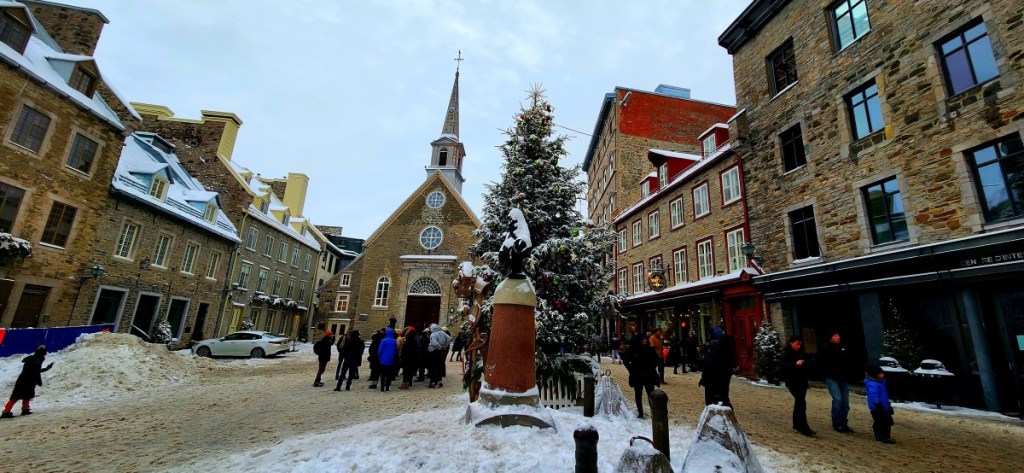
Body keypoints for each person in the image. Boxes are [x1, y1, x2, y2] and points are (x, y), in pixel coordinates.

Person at [819, 329, 856, 433]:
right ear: (830, 337)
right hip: (832, 378)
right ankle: (836, 422)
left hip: (844, 378)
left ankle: (843, 422)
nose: (838, 337)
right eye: (835, 335)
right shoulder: (825, 349)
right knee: (838, 399)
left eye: (838, 335)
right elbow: (821, 363)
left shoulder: (843, 348)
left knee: (846, 403)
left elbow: (849, 362)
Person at [2, 345, 54, 418]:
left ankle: (7, 411)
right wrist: (40, 381)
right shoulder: (37, 361)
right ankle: (24, 410)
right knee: (25, 396)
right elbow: (36, 372)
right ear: (42, 354)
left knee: (16, 396)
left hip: (22, 380)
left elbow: (35, 371)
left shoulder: (31, 359)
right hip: (29, 381)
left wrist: (46, 368)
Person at [781, 335, 815, 436]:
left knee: (800, 402)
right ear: (791, 343)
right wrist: (795, 364)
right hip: (792, 381)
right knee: (800, 402)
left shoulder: (801, 352)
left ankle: (797, 424)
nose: (798, 346)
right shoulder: (786, 354)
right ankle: (804, 427)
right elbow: (783, 366)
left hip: (802, 380)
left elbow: (807, 363)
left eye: (800, 344)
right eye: (796, 344)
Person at [622, 335, 658, 419]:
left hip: (646, 374)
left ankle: (652, 412)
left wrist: (652, 366)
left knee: (650, 394)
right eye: (643, 339)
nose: (645, 340)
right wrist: (631, 369)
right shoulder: (634, 349)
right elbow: (626, 360)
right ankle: (641, 412)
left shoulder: (648, 348)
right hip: (639, 375)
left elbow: (655, 359)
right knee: (639, 394)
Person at [700, 325, 736, 407]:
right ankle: (727, 418)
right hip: (725, 375)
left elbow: (709, 363)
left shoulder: (714, 344)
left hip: (713, 378)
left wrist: (704, 378)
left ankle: (714, 419)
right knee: (724, 399)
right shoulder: (728, 342)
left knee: (712, 403)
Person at [865, 365, 896, 444]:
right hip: (878, 407)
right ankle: (882, 436)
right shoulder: (873, 384)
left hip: (883, 406)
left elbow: (883, 396)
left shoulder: (880, 383)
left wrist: (887, 405)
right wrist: (878, 404)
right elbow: (874, 395)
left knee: (886, 421)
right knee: (881, 422)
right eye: (880, 373)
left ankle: (885, 436)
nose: (882, 374)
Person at [428, 323, 451, 388]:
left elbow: (434, 343)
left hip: (433, 351)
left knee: (432, 366)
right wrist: (445, 346)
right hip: (441, 352)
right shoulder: (442, 332)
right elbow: (449, 338)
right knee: (439, 366)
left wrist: (439, 347)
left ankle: (433, 382)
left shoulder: (433, 334)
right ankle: (439, 381)